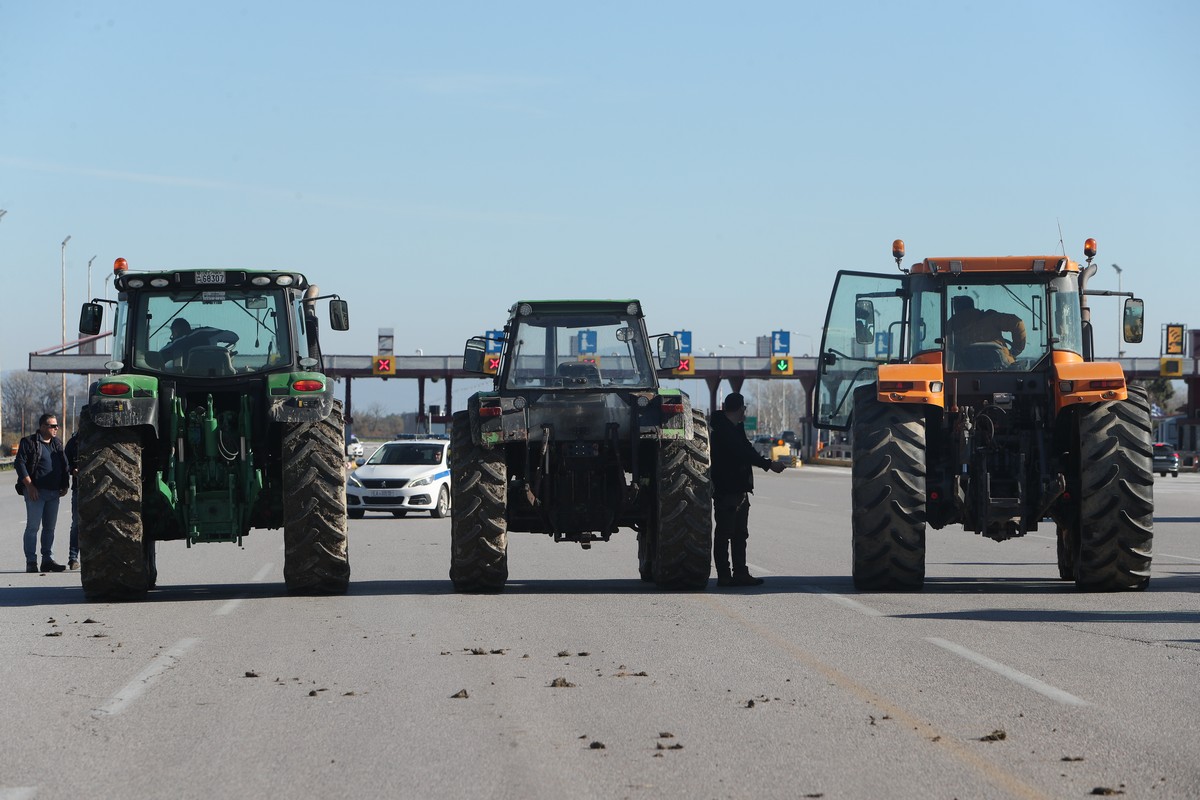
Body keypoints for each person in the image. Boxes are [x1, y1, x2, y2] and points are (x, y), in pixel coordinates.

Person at [709, 392, 786, 587]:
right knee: (725, 533)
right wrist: (768, 465)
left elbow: (747, 451)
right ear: (740, 408)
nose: (745, 411)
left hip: (740, 488)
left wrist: (767, 463)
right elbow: (742, 453)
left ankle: (741, 573)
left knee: (740, 533)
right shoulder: (722, 430)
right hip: (727, 490)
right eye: (744, 408)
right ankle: (725, 576)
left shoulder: (736, 428)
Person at [15, 413, 71, 573]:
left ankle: (47, 559)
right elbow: (20, 464)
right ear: (42, 427)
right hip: (36, 492)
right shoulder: (29, 442)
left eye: (57, 425)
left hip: (54, 493)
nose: (56, 428)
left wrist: (65, 484)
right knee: (33, 527)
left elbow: (64, 465)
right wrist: (30, 486)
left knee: (49, 528)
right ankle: (31, 562)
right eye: (53, 426)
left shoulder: (57, 443)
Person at [945, 295, 1027, 368]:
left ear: (955, 308)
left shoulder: (949, 326)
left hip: (966, 371)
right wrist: (1016, 349)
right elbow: (1017, 322)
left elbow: (949, 349)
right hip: (1003, 369)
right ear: (972, 306)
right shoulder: (989, 317)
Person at [159, 317, 239, 367]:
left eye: (172, 333)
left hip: (187, 380)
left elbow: (157, 358)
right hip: (217, 375)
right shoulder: (207, 332)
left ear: (175, 331)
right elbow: (234, 337)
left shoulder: (175, 344)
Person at [64, 426, 81, 570]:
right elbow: (65, 463)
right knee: (77, 524)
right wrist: (72, 470)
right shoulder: (73, 442)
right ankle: (73, 558)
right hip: (79, 489)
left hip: (105, 490)